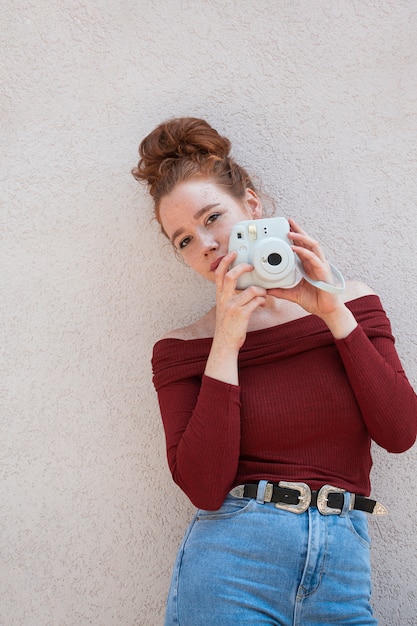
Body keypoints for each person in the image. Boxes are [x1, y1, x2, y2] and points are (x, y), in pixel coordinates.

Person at [132, 117, 417, 625]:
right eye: (184, 240)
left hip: (343, 568)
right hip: (230, 568)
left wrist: (332, 312)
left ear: (253, 206)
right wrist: (226, 342)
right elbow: (203, 485)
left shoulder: (353, 303)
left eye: (213, 217)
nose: (206, 245)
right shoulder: (182, 349)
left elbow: (399, 432)